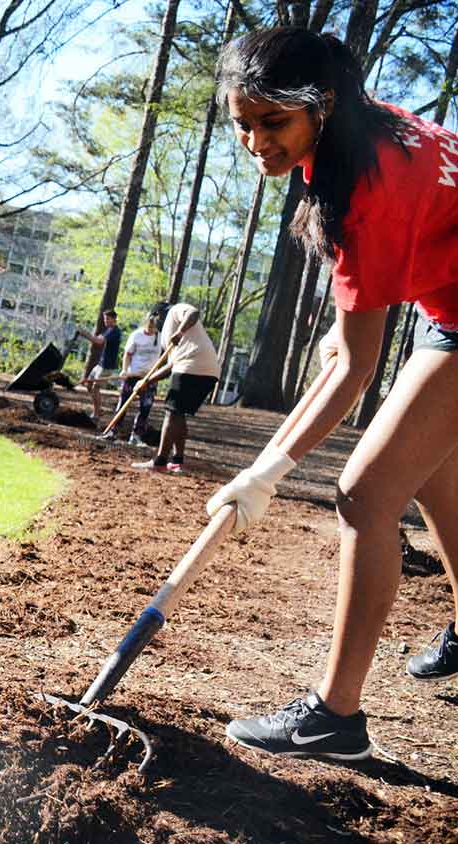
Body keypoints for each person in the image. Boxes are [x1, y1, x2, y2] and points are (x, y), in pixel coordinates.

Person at [208, 28, 458, 760]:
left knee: (364, 496)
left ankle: (335, 718)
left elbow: (353, 370)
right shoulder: (363, 125)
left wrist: (264, 473)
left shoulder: (364, 188)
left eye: (272, 123)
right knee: (433, 473)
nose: (257, 142)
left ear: (321, 105)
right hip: (446, 306)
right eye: (242, 124)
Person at [130, 303, 217, 474]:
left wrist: (180, 332)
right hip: (208, 371)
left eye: (153, 319)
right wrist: (146, 381)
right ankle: (178, 461)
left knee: (171, 412)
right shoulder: (165, 337)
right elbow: (170, 365)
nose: (153, 324)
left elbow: (194, 312)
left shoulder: (175, 311)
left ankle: (160, 461)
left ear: (157, 315)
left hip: (192, 367)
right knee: (178, 413)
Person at [99, 305, 165, 447]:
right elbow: (127, 355)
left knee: (145, 408)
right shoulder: (136, 335)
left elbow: (163, 357)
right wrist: (124, 370)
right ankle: (112, 432)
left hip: (149, 378)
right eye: (150, 327)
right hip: (132, 375)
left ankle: (136, 436)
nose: (152, 330)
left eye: (154, 328)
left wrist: (155, 373)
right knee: (123, 403)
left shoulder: (161, 337)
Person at [76, 310, 123, 424]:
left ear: (114, 319)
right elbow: (98, 337)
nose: (105, 321)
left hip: (107, 366)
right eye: (104, 319)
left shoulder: (115, 331)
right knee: (88, 384)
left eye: (107, 319)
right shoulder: (109, 330)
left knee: (96, 388)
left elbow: (98, 341)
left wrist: (84, 333)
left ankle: (96, 414)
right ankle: (99, 408)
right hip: (101, 364)